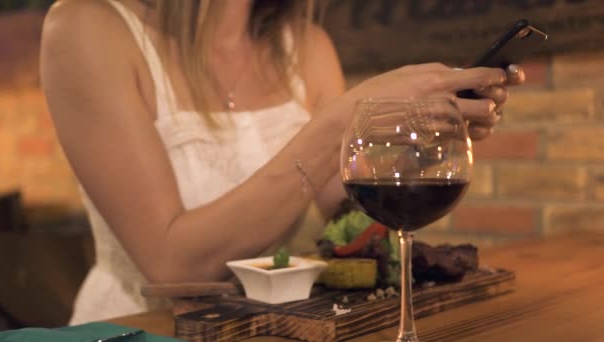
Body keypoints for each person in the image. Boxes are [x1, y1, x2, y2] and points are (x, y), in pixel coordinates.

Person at [40, 0, 525, 324]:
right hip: (142, 327)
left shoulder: (306, 46)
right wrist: (337, 125)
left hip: (278, 328)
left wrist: (421, 144)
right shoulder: (87, 27)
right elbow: (172, 267)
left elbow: (348, 211)